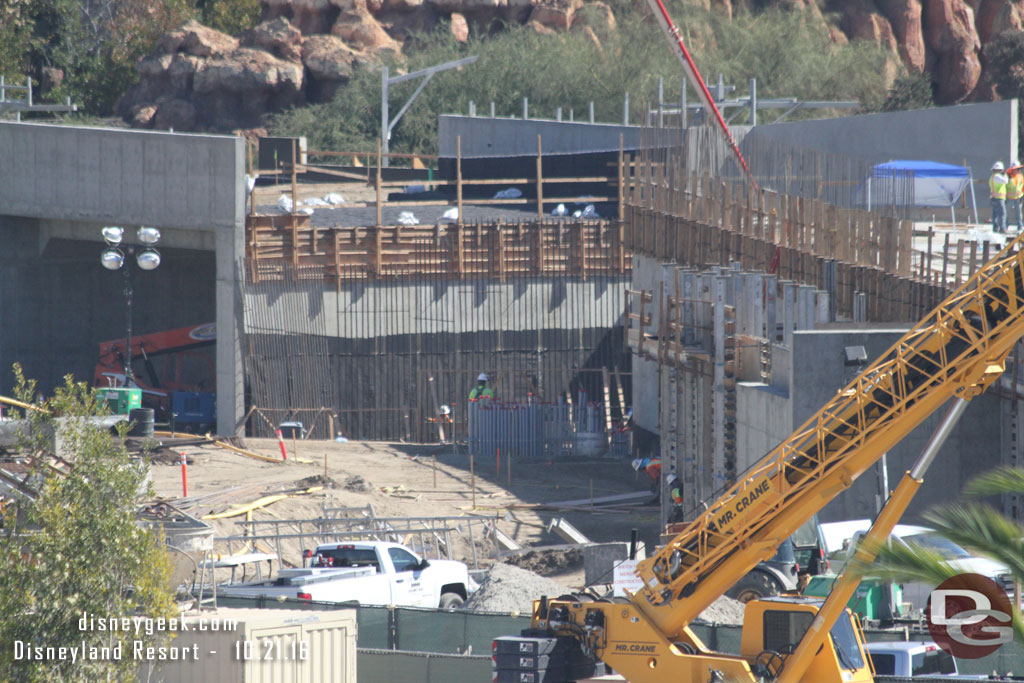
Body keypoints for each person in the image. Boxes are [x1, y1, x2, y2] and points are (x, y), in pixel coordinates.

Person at [990, 161, 1008, 234]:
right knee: (1002, 214)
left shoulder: (993, 177)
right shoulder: (997, 176)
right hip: (998, 199)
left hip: (994, 198)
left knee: (995, 214)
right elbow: (1005, 181)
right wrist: (1005, 175)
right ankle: (1002, 228)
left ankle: (995, 228)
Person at [1008, 159, 1024, 233]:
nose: (1017, 170)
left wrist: (1022, 197)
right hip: (1009, 198)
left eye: (1018, 169)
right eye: (1016, 169)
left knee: (1018, 214)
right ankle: (1005, 226)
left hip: (1018, 198)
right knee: (1006, 213)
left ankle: (1020, 226)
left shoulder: (1020, 177)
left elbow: (1023, 187)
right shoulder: (1008, 177)